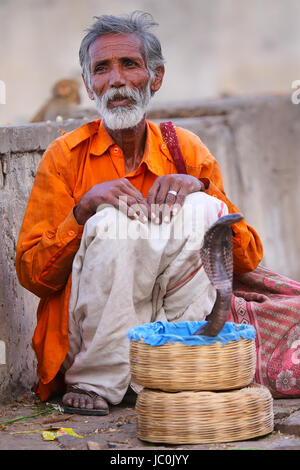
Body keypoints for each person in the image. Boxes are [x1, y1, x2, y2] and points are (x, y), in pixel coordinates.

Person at [15, 11, 263, 415]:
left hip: (170, 338)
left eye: (129, 64)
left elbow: (247, 256)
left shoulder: (186, 151)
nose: (116, 80)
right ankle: (97, 379)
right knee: (112, 223)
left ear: (155, 77)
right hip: (88, 343)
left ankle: (174, 363)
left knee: (202, 208)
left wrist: (198, 187)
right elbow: (32, 275)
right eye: (102, 69)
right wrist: (83, 211)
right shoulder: (64, 158)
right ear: (88, 85)